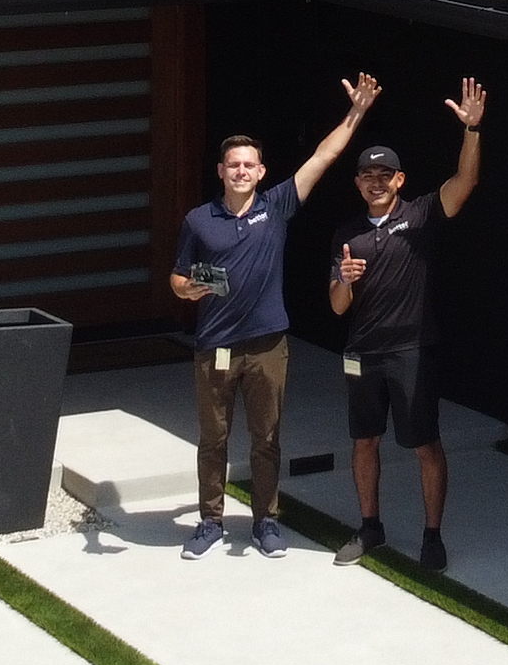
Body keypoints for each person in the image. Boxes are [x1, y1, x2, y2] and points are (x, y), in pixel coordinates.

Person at [165, 72, 379, 560]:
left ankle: (265, 522)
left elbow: (324, 157)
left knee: (266, 439)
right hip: (214, 347)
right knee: (212, 440)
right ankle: (210, 523)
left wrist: (357, 112)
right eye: (233, 164)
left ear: (262, 173)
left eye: (250, 165)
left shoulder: (277, 207)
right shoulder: (199, 220)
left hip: (267, 346)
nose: (242, 171)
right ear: (220, 171)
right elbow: (175, 280)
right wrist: (189, 288)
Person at [327, 74, 486, 570]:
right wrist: (345, 279)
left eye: (384, 175)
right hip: (362, 353)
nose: (375, 182)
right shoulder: (347, 232)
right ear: (357, 183)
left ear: (400, 180)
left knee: (423, 444)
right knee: (364, 440)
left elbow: (464, 185)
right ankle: (370, 527)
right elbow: (336, 307)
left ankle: (432, 536)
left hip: (411, 351)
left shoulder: (419, 216)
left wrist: (472, 130)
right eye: (366, 176)